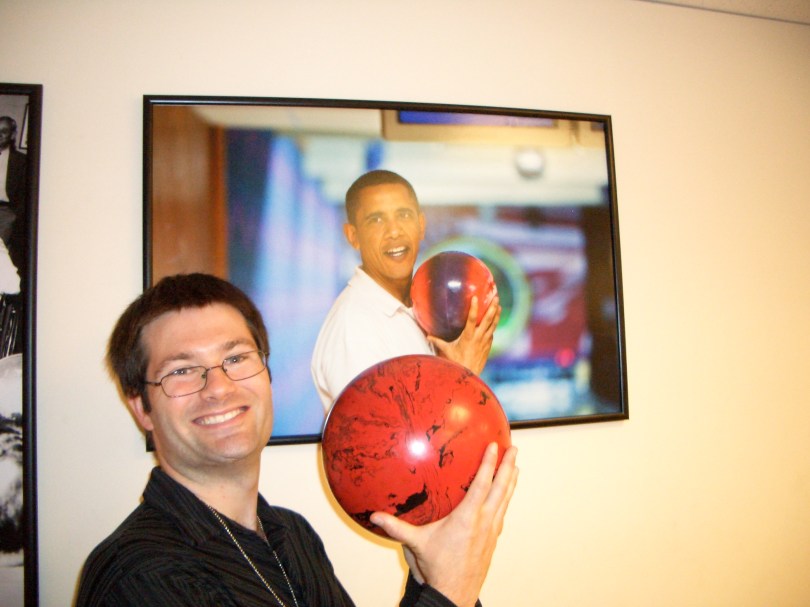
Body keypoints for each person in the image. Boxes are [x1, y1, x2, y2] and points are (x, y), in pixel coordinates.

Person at [76, 273, 518, 607]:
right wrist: (450, 592)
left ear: (267, 376)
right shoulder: (138, 577)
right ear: (141, 407)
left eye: (236, 357)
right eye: (182, 370)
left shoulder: (291, 534)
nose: (219, 387)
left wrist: (429, 575)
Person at [311, 170, 501, 409]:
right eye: (376, 220)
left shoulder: (417, 307)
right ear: (353, 236)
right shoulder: (354, 328)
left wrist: (451, 367)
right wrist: (463, 375)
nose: (394, 231)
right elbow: (385, 440)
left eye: (403, 215)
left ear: (421, 225)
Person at [0, 116, 27, 275]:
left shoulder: (21, 161)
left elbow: (25, 195)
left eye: (4, 131)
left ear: (12, 135)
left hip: (6, 212)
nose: (0, 135)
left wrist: (16, 215)